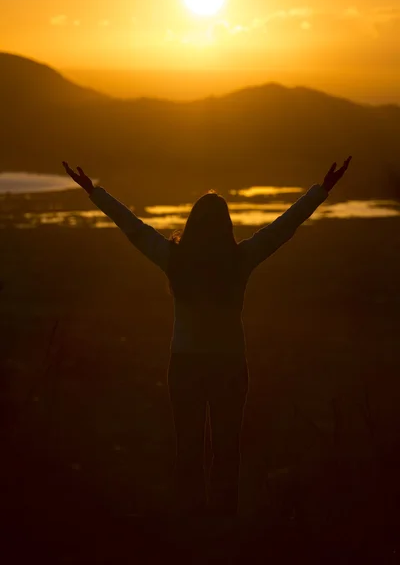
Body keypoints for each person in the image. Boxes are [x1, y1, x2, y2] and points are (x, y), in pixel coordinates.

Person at [62, 156, 351, 519]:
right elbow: (283, 228)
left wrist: (94, 192)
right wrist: (320, 190)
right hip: (230, 364)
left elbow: (132, 227)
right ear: (226, 225)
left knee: (188, 449)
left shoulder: (174, 259)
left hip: (185, 366)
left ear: (192, 225)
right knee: (228, 449)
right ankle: (223, 522)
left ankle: (191, 523)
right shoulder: (240, 258)